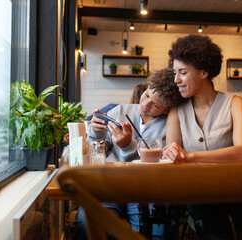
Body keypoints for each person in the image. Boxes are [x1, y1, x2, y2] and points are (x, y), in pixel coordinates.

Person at [162, 34, 242, 239]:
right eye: (174, 73)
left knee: (206, 209)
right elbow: (172, 158)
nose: (176, 79)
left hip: (239, 195)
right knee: (202, 203)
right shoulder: (176, 111)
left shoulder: (235, 103)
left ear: (204, 72)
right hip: (197, 196)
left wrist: (191, 156)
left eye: (183, 72)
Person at [72, 68, 185, 240]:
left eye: (155, 105)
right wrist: (96, 132)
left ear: (167, 110)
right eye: (147, 95)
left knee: (142, 232)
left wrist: (127, 146)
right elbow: (100, 149)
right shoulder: (119, 111)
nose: (145, 105)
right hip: (110, 184)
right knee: (91, 223)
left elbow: (160, 164)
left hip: (144, 190)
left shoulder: (170, 124)